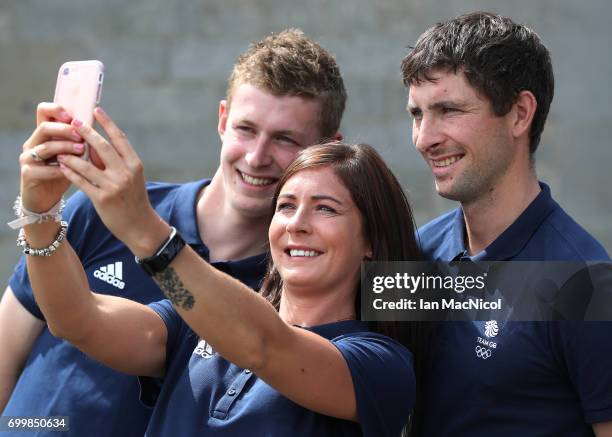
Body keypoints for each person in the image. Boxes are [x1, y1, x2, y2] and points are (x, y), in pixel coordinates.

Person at [0, 29, 346, 436]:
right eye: (246, 129)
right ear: (222, 119)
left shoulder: (294, 287)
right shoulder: (98, 211)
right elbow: (13, 347)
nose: (256, 156)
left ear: (325, 149)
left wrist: (141, 229)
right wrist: (39, 212)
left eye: (285, 139)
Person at [18, 138, 421, 435]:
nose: (297, 223)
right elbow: (76, 319)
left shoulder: (380, 363)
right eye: (285, 206)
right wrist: (40, 213)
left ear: (371, 242)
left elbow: (263, 345)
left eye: (325, 208)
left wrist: (143, 227)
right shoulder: (194, 322)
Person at [401, 11, 612, 436]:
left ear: (519, 113)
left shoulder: (587, 285)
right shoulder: (416, 252)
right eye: (417, 114)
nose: (425, 138)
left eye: (449, 110)